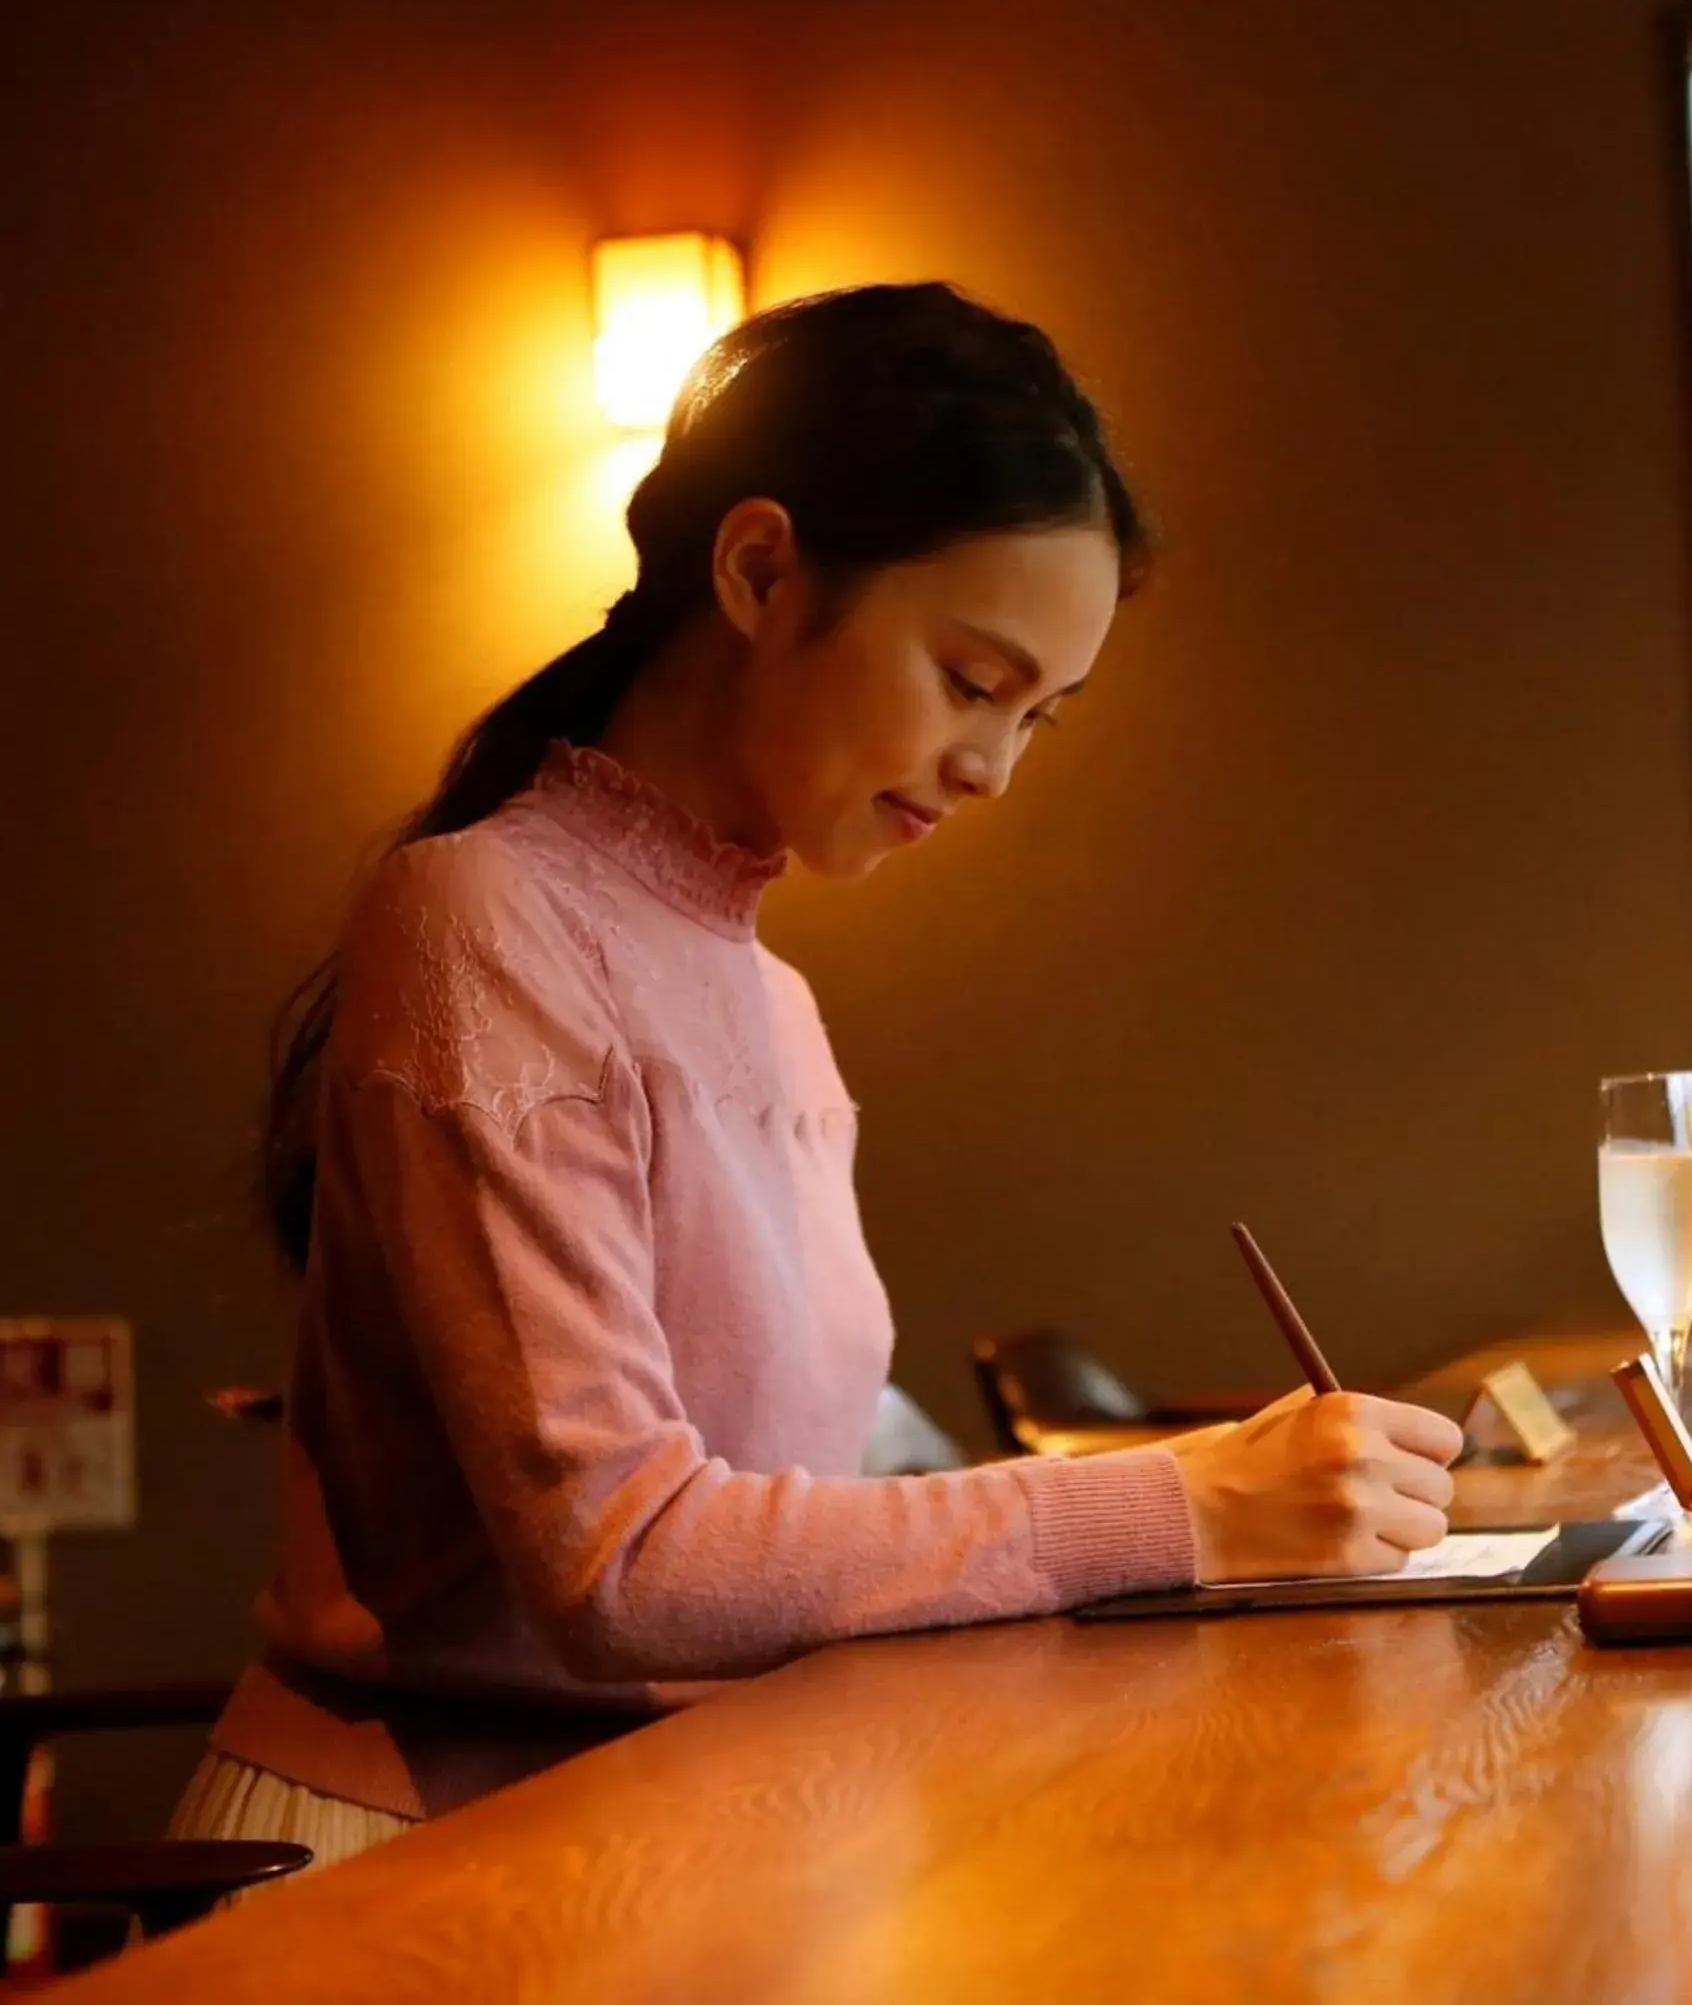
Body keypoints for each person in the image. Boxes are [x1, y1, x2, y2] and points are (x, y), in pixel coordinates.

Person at [171, 282, 1463, 1864]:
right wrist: (1179, 1505)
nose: (993, 767)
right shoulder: (485, 915)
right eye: (973, 683)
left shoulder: (767, 993)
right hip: (428, 1868)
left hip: (703, 1826)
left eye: (1042, 717)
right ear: (762, 569)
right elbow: (625, 1565)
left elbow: (792, 1511)